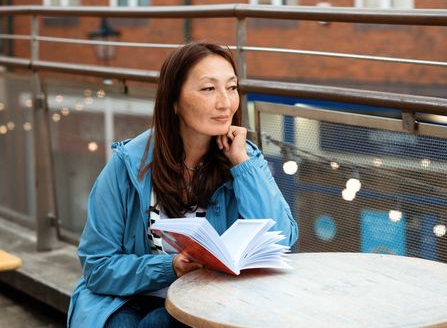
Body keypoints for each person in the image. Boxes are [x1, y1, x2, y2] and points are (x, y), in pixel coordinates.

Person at [67, 41, 299, 327]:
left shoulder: (245, 159)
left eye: (231, 87)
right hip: (127, 295)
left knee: (159, 323)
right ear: (173, 100)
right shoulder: (128, 164)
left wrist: (242, 165)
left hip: (206, 296)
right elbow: (97, 266)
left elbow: (282, 240)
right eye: (208, 89)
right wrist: (170, 267)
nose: (225, 103)